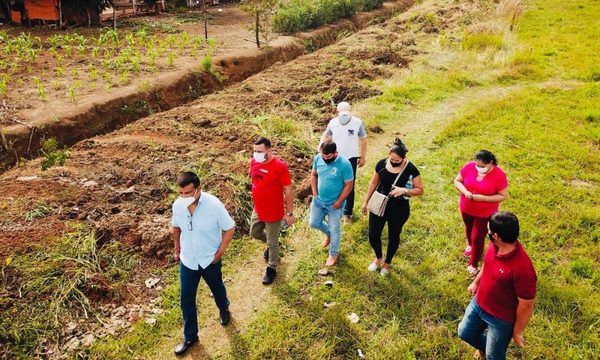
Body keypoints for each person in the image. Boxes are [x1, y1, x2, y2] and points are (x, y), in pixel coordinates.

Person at [170, 171, 236, 355]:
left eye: (188, 193)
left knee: (217, 288)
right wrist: (177, 248)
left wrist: (220, 252)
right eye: (181, 193)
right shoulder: (177, 205)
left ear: (198, 189)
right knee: (186, 299)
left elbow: (229, 228)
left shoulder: (214, 205)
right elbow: (175, 227)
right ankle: (190, 336)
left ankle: (224, 308)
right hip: (188, 260)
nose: (184, 197)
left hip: (209, 259)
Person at [458, 211, 537, 360]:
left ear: (497, 236)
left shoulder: (523, 269)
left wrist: (518, 332)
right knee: (465, 332)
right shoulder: (494, 246)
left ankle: (488, 352)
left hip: (500, 319)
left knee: (494, 356)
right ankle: (484, 348)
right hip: (479, 304)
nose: (487, 232)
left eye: (488, 230)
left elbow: (526, 305)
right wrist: (476, 282)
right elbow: (487, 265)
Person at [361, 138, 423, 276]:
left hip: (399, 208)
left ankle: (387, 263)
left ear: (403, 158)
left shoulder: (411, 169)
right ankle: (378, 258)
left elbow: (420, 190)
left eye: (397, 161)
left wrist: (404, 190)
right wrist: (366, 202)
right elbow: (373, 183)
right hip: (379, 204)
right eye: (391, 160)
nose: (393, 163)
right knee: (373, 234)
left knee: (394, 235)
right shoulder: (381, 164)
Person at [454, 150, 508, 276]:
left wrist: (484, 198)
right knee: (469, 228)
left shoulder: (498, 175)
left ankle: (473, 263)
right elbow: (457, 181)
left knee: (478, 237)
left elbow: (503, 195)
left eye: (482, 166)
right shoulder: (469, 167)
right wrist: (465, 191)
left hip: (485, 213)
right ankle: (470, 245)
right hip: (466, 207)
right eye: (477, 165)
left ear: (490, 163)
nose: (478, 168)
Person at [249, 137, 295, 285]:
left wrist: (289, 213)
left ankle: (272, 268)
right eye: (254, 151)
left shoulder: (279, 166)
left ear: (269, 150)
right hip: (258, 207)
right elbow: (255, 181)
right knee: (254, 232)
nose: (256, 154)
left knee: (273, 242)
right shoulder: (254, 161)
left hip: (274, 210)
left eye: (259, 151)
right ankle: (271, 246)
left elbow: (288, 190)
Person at [309, 141, 354, 274]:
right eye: (324, 156)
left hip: (335, 204)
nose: (326, 159)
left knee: (335, 229)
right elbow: (314, 174)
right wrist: (315, 193)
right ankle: (328, 234)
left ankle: (333, 253)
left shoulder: (345, 164)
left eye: (329, 157)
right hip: (318, 200)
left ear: (336, 153)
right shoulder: (318, 158)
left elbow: (349, 185)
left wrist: (339, 202)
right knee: (313, 223)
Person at [319, 101, 368, 224]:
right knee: (334, 182)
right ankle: (333, 209)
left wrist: (362, 156)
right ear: (337, 112)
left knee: (349, 185)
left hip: (351, 158)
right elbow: (325, 135)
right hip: (335, 157)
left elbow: (363, 139)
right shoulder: (333, 123)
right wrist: (320, 148)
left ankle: (347, 213)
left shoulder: (357, 122)